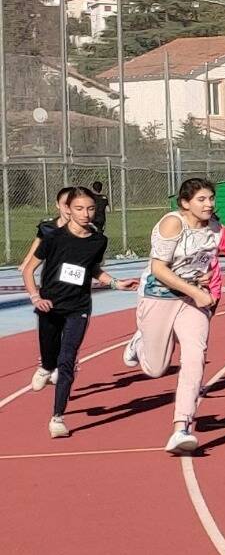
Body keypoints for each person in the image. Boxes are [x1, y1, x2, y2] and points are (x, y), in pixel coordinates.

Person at [131, 178, 225, 453]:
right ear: (185, 203)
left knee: (195, 357)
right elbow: (158, 268)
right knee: (155, 368)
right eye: (201, 200)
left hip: (192, 301)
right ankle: (140, 341)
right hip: (158, 296)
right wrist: (194, 289)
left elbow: (205, 261)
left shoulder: (216, 229)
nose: (209, 204)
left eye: (211, 199)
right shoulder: (172, 224)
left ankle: (182, 427)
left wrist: (202, 281)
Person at [22, 187, 137, 438]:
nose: (86, 214)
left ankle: (57, 417)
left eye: (91, 209)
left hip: (79, 307)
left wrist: (116, 283)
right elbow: (28, 269)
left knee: (67, 360)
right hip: (50, 307)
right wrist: (36, 297)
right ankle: (44, 367)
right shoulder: (52, 237)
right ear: (68, 209)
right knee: (50, 358)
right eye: (79, 208)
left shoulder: (98, 240)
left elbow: (92, 269)